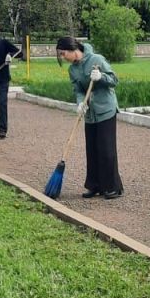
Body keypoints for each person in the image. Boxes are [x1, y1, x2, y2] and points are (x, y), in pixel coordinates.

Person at [55, 36, 123, 199]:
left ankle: (112, 187)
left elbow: (114, 80)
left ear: (72, 49)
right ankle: (95, 186)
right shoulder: (72, 69)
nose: (63, 58)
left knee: (106, 150)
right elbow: (78, 89)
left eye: (64, 54)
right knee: (92, 149)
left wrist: (101, 77)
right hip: (90, 113)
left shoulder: (96, 59)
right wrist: (80, 103)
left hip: (106, 109)